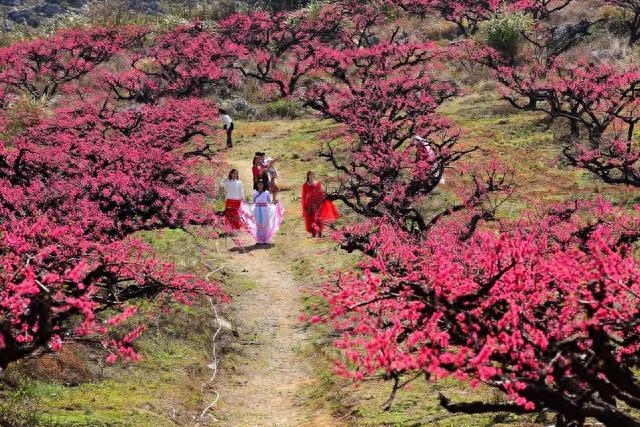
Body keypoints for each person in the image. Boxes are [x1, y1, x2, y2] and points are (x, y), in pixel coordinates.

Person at [301, 171, 339, 238]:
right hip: (309, 203)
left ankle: (319, 232)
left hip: (317, 202)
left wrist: (324, 199)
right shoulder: (305, 185)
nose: (311, 176)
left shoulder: (318, 183)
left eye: (312, 174)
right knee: (311, 218)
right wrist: (304, 205)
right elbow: (304, 196)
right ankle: (313, 232)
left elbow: (321, 192)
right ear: (308, 176)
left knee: (318, 217)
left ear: (314, 175)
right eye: (310, 174)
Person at [249, 180, 284, 245]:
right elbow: (253, 202)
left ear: (263, 185)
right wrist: (245, 203)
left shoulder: (267, 193)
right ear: (257, 185)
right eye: (259, 184)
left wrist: (275, 202)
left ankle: (266, 239)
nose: (260, 185)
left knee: (266, 224)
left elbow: (270, 202)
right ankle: (259, 240)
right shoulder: (255, 193)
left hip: (265, 210)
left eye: (261, 184)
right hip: (257, 210)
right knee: (258, 225)